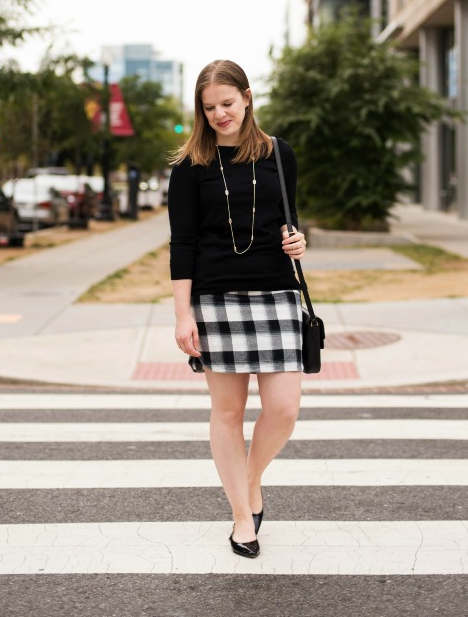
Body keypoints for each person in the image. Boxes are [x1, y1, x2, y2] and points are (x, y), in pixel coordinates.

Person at [167, 59, 306, 560]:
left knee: (284, 408)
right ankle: (242, 516)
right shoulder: (189, 169)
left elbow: (288, 218)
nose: (219, 114)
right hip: (215, 299)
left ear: (247, 97)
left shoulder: (278, 154)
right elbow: (182, 244)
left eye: (227, 103)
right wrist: (183, 315)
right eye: (209, 108)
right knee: (227, 412)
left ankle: (249, 479)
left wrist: (297, 241)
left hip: (276, 293)